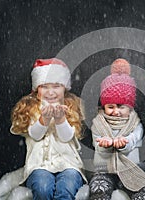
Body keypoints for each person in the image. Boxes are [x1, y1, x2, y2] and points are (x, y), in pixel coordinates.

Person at [10, 58, 87, 200]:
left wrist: (60, 119)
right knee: (43, 188)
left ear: (65, 87)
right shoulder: (31, 109)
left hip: (68, 165)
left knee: (66, 187)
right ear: (36, 89)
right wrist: (44, 120)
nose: (50, 92)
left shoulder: (70, 108)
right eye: (45, 86)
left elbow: (66, 137)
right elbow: (35, 135)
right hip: (39, 165)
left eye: (56, 86)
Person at [89, 58, 145, 200]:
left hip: (130, 168)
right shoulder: (98, 123)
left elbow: (134, 139)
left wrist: (124, 142)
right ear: (104, 107)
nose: (116, 112)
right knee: (98, 189)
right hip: (104, 170)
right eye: (110, 107)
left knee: (142, 192)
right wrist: (104, 144)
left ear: (129, 107)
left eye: (121, 107)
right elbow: (97, 145)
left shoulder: (135, 123)